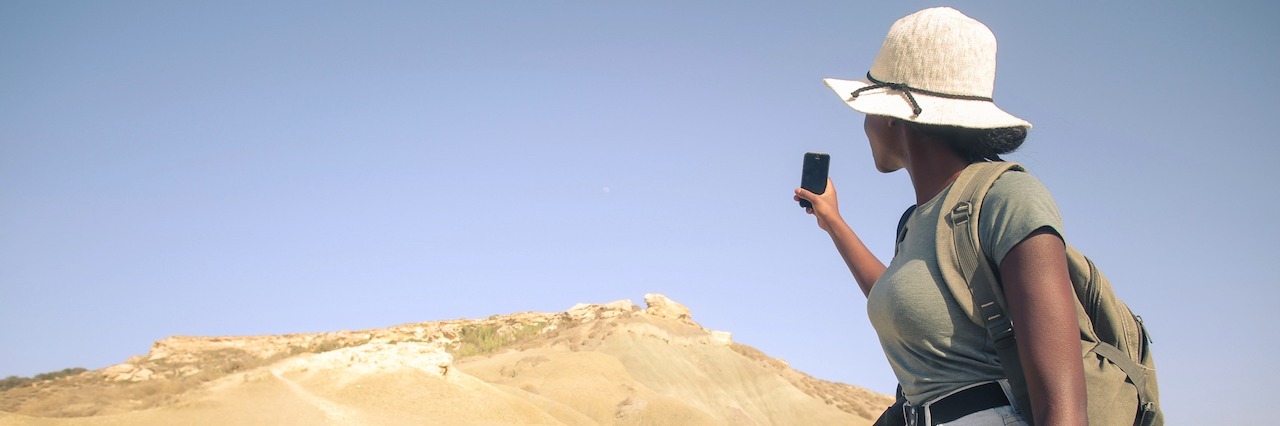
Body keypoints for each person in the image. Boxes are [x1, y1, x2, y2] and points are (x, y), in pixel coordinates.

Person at [793, 8, 1087, 426]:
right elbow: (901, 299)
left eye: (868, 110)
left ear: (891, 117)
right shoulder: (916, 222)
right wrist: (833, 223)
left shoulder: (1008, 197)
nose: (864, 126)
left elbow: (1064, 406)